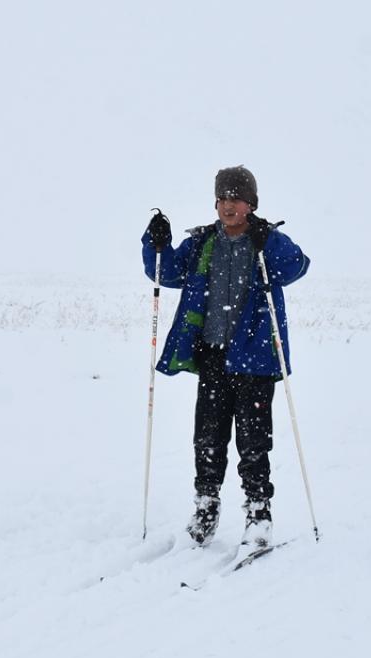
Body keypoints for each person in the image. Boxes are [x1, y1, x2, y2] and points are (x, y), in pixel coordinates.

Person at [141, 165, 309, 548]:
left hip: (255, 358)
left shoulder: (266, 243)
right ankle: (206, 506)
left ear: (250, 204)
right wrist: (155, 244)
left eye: (236, 198)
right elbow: (164, 272)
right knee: (208, 438)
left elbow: (297, 267)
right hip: (213, 356)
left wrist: (271, 239)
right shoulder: (202, 244)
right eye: (222, 198)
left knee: (253, 442)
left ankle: (258, 514)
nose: (228, 205)